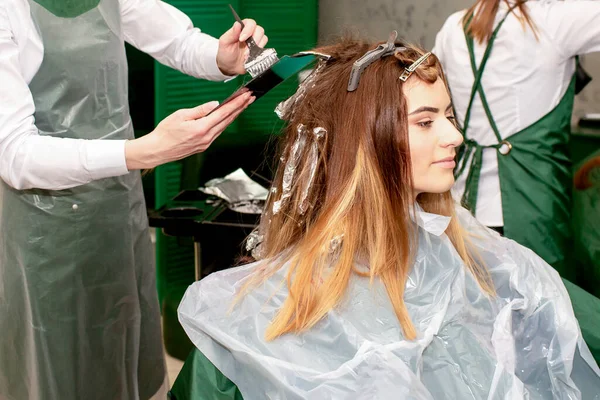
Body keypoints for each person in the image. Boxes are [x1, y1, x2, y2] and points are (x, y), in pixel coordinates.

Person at [177, 36, 600, 399]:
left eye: (449, 116)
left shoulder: (471, 255)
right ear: (365, 143)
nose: (454, 136)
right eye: (426, 121)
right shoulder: (253, 318)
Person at [0, 0, 267, 398]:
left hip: (116, 204)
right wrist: (139, 152)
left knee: (122, 326)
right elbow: (15, 153)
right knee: (61, 352)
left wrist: (220, 57)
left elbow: (177, 40)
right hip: (46, 224)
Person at [432, 0, 600, 279]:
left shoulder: (454, 27)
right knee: (547, 313)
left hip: (461, 209)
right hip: (534, 210)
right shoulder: (551, 22)